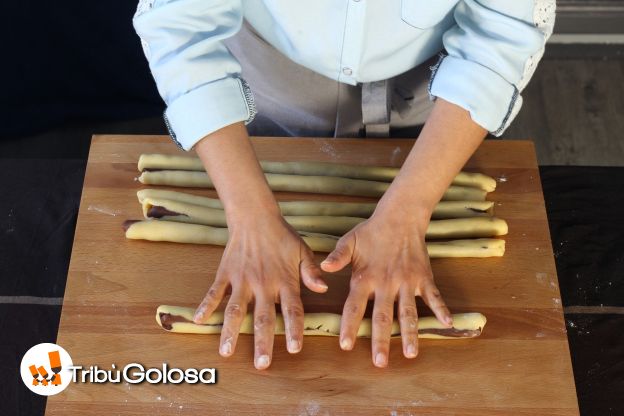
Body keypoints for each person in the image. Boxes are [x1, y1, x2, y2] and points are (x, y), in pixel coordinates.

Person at [133, 0, 555, 369]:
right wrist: (250, 216)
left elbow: (501, 32)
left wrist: (409, 212)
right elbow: (180, 27)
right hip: (268, 82)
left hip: (438, 92)